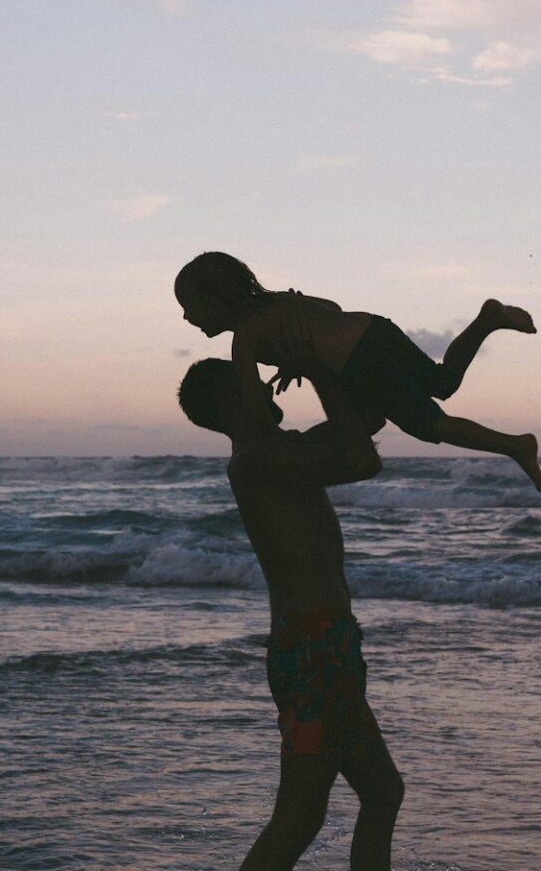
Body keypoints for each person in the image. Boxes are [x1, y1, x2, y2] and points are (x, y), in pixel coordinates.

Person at [177, 355, 405, 870]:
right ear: (234, 402)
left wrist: (328, 364)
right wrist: (320, 374)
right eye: (254, 384)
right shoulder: (258, 460)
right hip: (313, 654)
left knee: (383, 792)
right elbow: (362, 460)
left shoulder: (280, 449)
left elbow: (363, 423)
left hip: (328, 647)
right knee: (300, 817)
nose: (268, 387)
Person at [175, 251, 541, 493]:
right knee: (441, 381)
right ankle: (486, 320)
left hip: (358, 362)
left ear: (214, 300)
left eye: (190, 306)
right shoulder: (279, 302)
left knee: (428, 424)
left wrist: (270, 443)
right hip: (372, 327)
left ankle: (515, 445)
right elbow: (332, 307)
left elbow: (254, 410)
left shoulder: (245, 340)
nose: (186, 316)